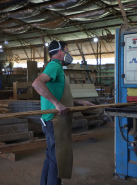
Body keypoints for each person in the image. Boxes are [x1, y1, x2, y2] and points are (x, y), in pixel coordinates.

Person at [32, 40, 94, 185]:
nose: (68, 54)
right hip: (54, 120)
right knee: (57, 160)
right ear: (60, 52)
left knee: (51, 157)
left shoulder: (56, 67)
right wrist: (56, 104)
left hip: (49, 119)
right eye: (67, 50)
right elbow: (36, 83)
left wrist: (80, 102)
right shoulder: (54, 66)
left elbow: (59, 94)